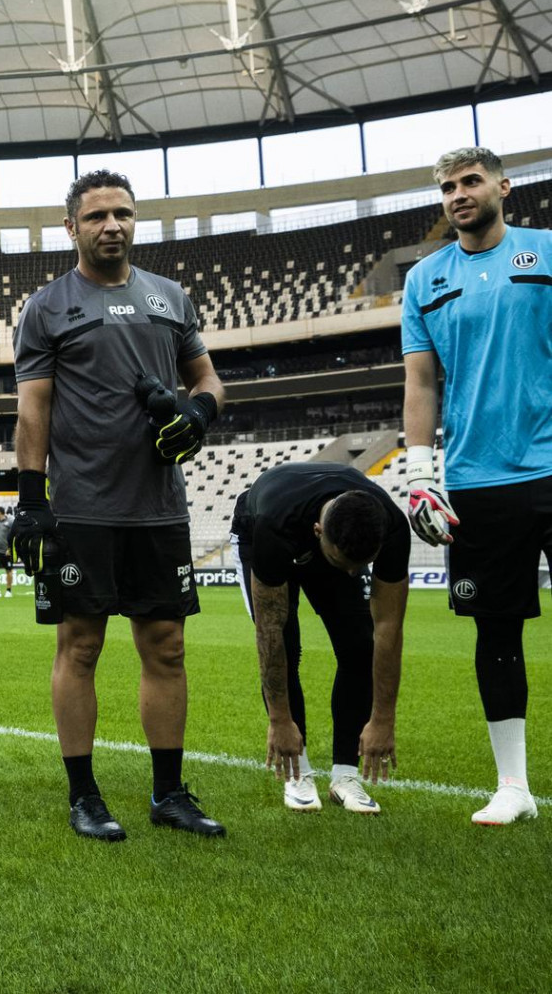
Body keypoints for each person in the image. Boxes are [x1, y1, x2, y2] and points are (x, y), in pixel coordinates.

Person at [12, 168, 227, 841]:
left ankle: (169, 793)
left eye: (124, 214)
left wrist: (198, 416)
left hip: (160, 507)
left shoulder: (170, 297)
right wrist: (31, 500)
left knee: (166, 646)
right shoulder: (46, 306)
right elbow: (33, 407)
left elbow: (209, 380)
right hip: (82, 508)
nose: (113, 226)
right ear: (71, 226)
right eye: (98, 215)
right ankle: (84, 795)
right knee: (80, 646)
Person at [400, 146, 552, 826]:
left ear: (502, 186)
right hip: (476, 481)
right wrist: (420, 473)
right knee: (496, 631)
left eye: (470, 181)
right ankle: (513, 786)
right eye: (446, 187)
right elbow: (421, 383)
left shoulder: (545, 251)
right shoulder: (425, 279)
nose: (458, 193)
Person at [232, 462, 409, 813]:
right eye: (343, 562)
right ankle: (298, 772)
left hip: (323, 535)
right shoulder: (273, 525)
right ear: (318, 531)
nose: (351, 573)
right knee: (288, 643)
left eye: (360, 566)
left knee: (359, 645)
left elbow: (388, 628)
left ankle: (346, 776)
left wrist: (384, 719)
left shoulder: (390, 526)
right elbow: (270, 637)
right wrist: (280, 721)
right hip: (264, 535)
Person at [0, 507, 17, 598]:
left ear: (0, 513)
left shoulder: (10, 521)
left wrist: (11, 549)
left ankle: (8, 591)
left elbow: (15, 535)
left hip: (7, 551)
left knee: (8, 570)